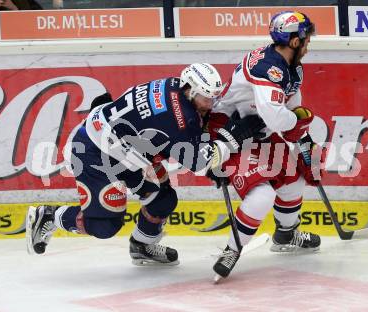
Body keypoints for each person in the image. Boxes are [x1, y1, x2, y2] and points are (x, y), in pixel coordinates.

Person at [26, 63, 265, 266]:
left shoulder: (176, 85)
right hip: (95, 152)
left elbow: (181, 133)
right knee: (104, 226)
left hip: (127, 149)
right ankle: (49, 215)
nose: (211, 104)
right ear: (190, 91)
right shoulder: (181, 117)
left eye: (214, 98)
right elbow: (199, 163)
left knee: (163, 199)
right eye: (206, 98)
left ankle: (141, 245)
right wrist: (231, 139)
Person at [208, 11, 325, 279]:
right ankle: (232, 249)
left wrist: (303, 139)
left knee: (293, 183)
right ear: (294, 41)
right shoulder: (267, 69)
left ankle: (285, 235)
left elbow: (291, 104)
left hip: (257, 130)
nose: (308, 45)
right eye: (306, 40)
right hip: (229, 133)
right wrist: (296, 124)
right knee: (262, 195)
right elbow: (275, 114)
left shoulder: (292, 66)